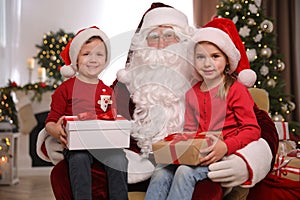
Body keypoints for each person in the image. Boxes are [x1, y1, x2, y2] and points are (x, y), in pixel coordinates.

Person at [36, 3, 278, 200]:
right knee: (62, 173)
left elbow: (259, 124)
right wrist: (59, 134)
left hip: (193, 163)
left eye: (169, 35)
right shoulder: (126, 85)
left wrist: (248, 160)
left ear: (185, 41)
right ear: (142, 45)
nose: (161, 43)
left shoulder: (207, 81)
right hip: (136, 167)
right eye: (154, 36)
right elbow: (89, 112)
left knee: (204, 187)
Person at [144, 17, 262, 200]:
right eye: (201, 57)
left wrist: (226, 146)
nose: (207, 64)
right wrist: (176, 145)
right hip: (198, 152)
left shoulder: (235, 90)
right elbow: (191, 131)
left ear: (227, 60)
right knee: (160, 170)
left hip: (222, 154)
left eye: (215, 56)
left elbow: (252, 129)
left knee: (184, 172)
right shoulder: (192, 93)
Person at [44, 26, 128, 200]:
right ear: (76, 59)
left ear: (106, 60)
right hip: (77, 145)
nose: (93, 60)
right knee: (79, 158)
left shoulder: (106, 90)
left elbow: (112, 119)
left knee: (119, 159)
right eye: (86, 54)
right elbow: (50, 122)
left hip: (104, 144)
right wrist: (56, 131)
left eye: (99, 54)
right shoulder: (65, 89)